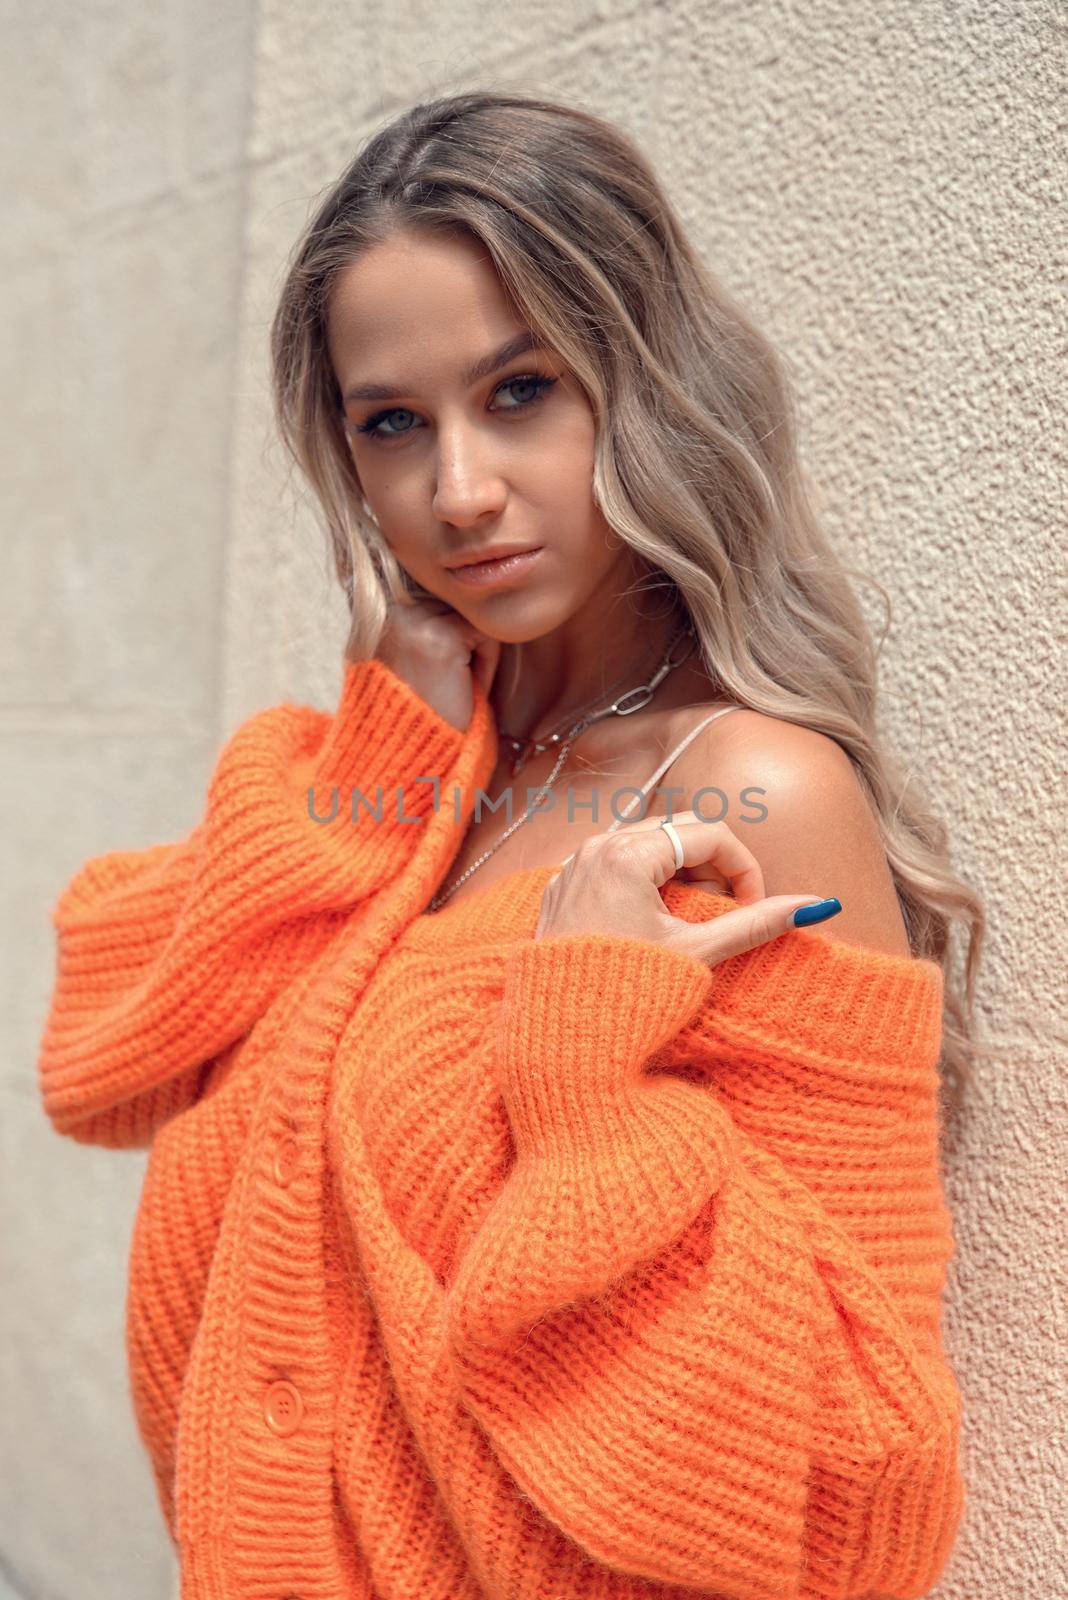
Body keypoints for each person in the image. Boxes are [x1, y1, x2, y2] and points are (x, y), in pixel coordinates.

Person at [38, 90, 983, 1598]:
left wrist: (587, 1074)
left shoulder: (748, 794)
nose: (459, 491)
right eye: (392, 425)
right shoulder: (398, 764)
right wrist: (390, 754)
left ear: (642, 383)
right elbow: (105, 1057)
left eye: (522, 392)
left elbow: (852, 1493)